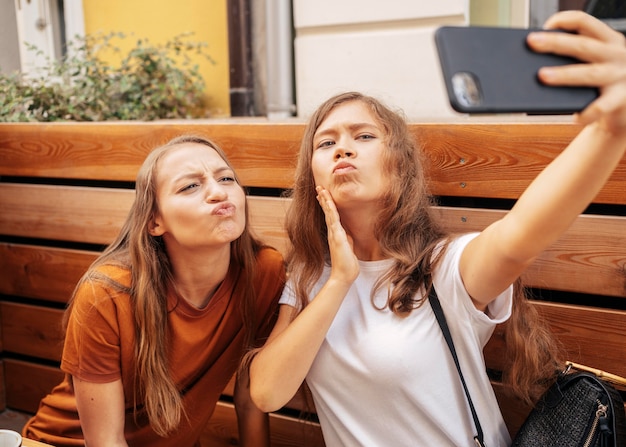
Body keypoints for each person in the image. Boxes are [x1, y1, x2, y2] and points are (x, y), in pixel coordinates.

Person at [247, 10, 626, 447]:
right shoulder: (309, 277)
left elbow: (524, 232)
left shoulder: (445, 269)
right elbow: (267, 392)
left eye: (364, 136)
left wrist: (611, 130)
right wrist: (340, 281)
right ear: (311, 174)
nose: (343, 149)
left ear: (401, 166)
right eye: (326, 142)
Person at [22, 135, 285, 447]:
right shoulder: (106, 294)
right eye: (191, 186)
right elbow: (105, 441)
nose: (218, 192)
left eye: (226, 178)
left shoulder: (265, 272)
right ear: (154, 222)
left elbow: (250, 397)